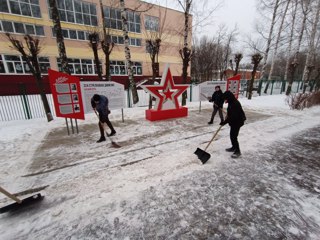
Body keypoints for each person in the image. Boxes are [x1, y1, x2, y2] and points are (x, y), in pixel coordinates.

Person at [220, 91, 246, 158]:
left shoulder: (235, 104)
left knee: (234, 136)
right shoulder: (231, 102)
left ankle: (238, 151)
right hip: (234, 121)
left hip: (238, 121)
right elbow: (230, 113)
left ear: (228, 97)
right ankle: (234, 147)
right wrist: (226, 118)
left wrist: (224, 122)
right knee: (232, 135)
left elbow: (233, 116)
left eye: (225, 98)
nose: (225, 100)